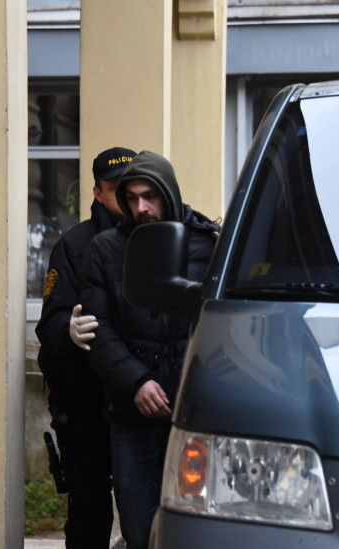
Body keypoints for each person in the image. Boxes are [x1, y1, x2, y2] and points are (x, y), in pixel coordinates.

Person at [80, 150, 220, 549]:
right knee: (139, 530)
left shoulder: (209, 245)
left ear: (168, 193)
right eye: (132, 198)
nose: (141, 207)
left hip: (194, 416)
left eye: (150, 196)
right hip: (132, 416)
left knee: (196, 531)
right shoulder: (105, 250)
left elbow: (225, 324)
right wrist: (136, 382)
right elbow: (98, 329)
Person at [34, 146, 136, 549]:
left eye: (131, 188)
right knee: (89, 512)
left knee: (142, 513)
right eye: (115, 189)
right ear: (97, 193)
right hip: (86, 404)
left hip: (137, 399)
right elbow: (51, 324)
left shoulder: (158, 236)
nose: (126, 198)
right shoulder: (74, 246)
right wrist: (69, 331)